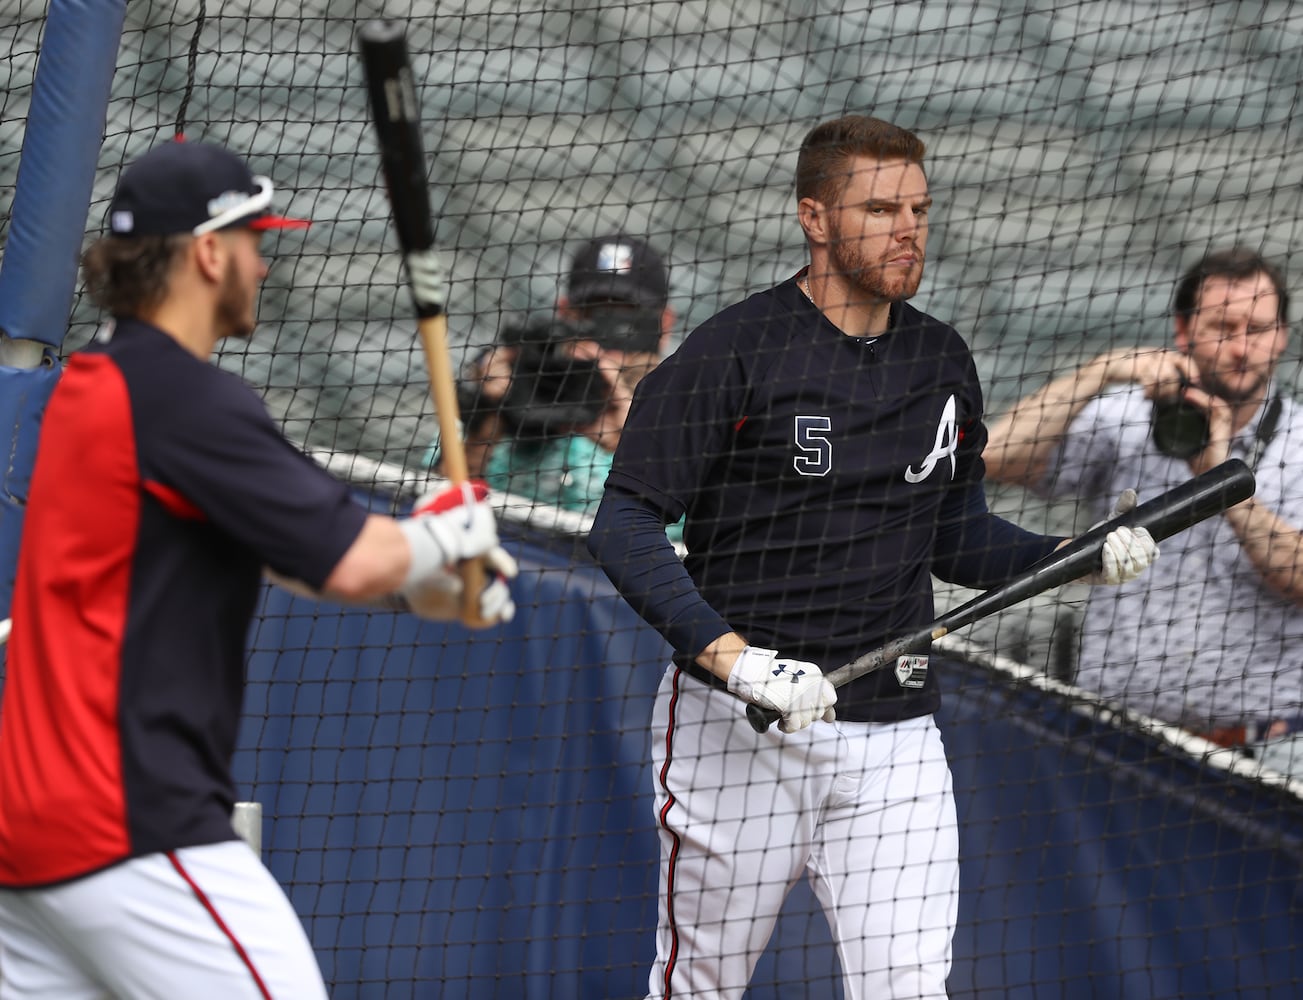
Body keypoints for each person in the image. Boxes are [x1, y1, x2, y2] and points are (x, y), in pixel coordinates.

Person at [585, 115, 1158, 999]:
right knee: (698, 986)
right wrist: (736, 663)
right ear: (814, 217)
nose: (908, 230)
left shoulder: (939, 358)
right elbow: (623, 522)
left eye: (919, 209)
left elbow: (954, 534)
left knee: (908, 988)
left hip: (895, 737)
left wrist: (1070, 555)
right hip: (738, 731)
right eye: (881, 208)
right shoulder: (732, 351)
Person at [0, 139, 517, 999]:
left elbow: (296, 558)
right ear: (208, 253)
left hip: (24, 835)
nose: (264, 265)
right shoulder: (186, 398)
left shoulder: (96, 384)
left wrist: (424, 587)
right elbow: (352, 560)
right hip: (127, 823)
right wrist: (448, 528)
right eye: (252, 241)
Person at [984, 246, 1303, 758]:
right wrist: (1101, 371)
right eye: (1224, 327)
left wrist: (1220, 479)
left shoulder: (1299, 443)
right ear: (1183, 330)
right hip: (1119, 744)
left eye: (1259, 329)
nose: (1242, 348)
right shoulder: (1128, 417)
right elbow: (992, 457)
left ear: (1282, 336)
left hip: (1261, 755)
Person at [437, 234, 676, 523]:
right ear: (564, 312)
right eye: (591, 315)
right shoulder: (523, 382)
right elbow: (432, 507)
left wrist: (638, 450)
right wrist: (488, 422)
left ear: (663, 325)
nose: (605, 342)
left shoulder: (696, 415)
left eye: (626, 324)